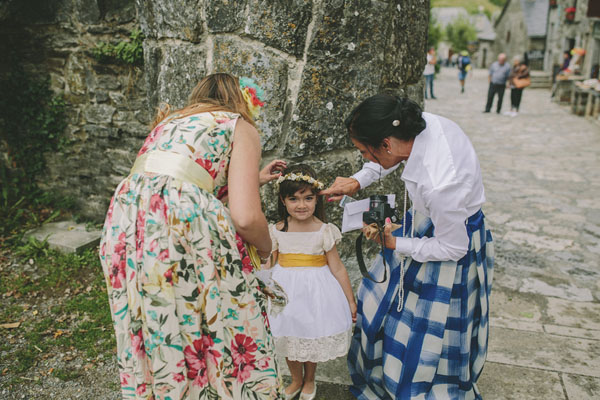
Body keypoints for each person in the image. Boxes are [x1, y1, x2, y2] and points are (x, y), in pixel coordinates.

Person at [99, 73, 287, 399]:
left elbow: (188, 183)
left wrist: (254, 179)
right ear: (241, 102)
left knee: (159, 317)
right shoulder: (238, 125)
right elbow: (244, 217)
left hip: (128, 220)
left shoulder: (171, 122)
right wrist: (269, 247)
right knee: (216, 316)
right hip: (175, 225)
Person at [320, 94, 494, 399]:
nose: (366, 159)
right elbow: (391, 158)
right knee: (380, 301)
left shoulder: (440, 184)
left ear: (385, 143)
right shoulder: (419, 130)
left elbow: (454, 248)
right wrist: (357, 181)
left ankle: (415, 386)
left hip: (450, 243)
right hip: (428, 224)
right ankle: (386, 369)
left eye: (365, 152)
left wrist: (395, 242)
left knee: (426, 331)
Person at [266, 164, 356, 400]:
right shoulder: (277, 230)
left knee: (311, 335)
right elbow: (268, 264)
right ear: (283, 201)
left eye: (308, 198)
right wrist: (261, 287)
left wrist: (350, 300)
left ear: (317, 199)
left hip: (317, 293)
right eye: (294, 199)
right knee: (289, 336)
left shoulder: (324, 230)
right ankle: (296, 378)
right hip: (286, 293)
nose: (301, 205)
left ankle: (309, 379)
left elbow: (337, 267)